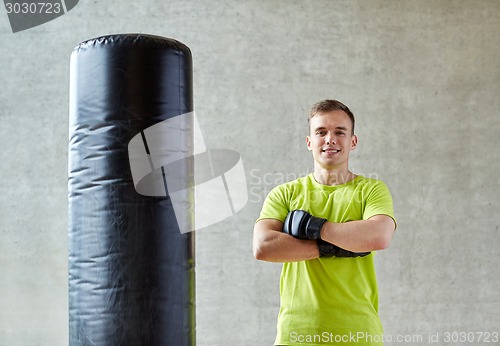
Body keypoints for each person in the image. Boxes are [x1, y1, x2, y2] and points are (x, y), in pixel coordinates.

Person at [253, 99, 396, 346]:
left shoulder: (371, 190)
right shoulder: (285, 193)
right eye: (321, 132)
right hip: (295, 334)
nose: (330, 139)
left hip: (358, 333)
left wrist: (315, 228)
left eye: (340, 132)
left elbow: (379, 235)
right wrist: (335, 246)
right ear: (309, 142)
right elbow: (264, 246)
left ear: (353, 141)